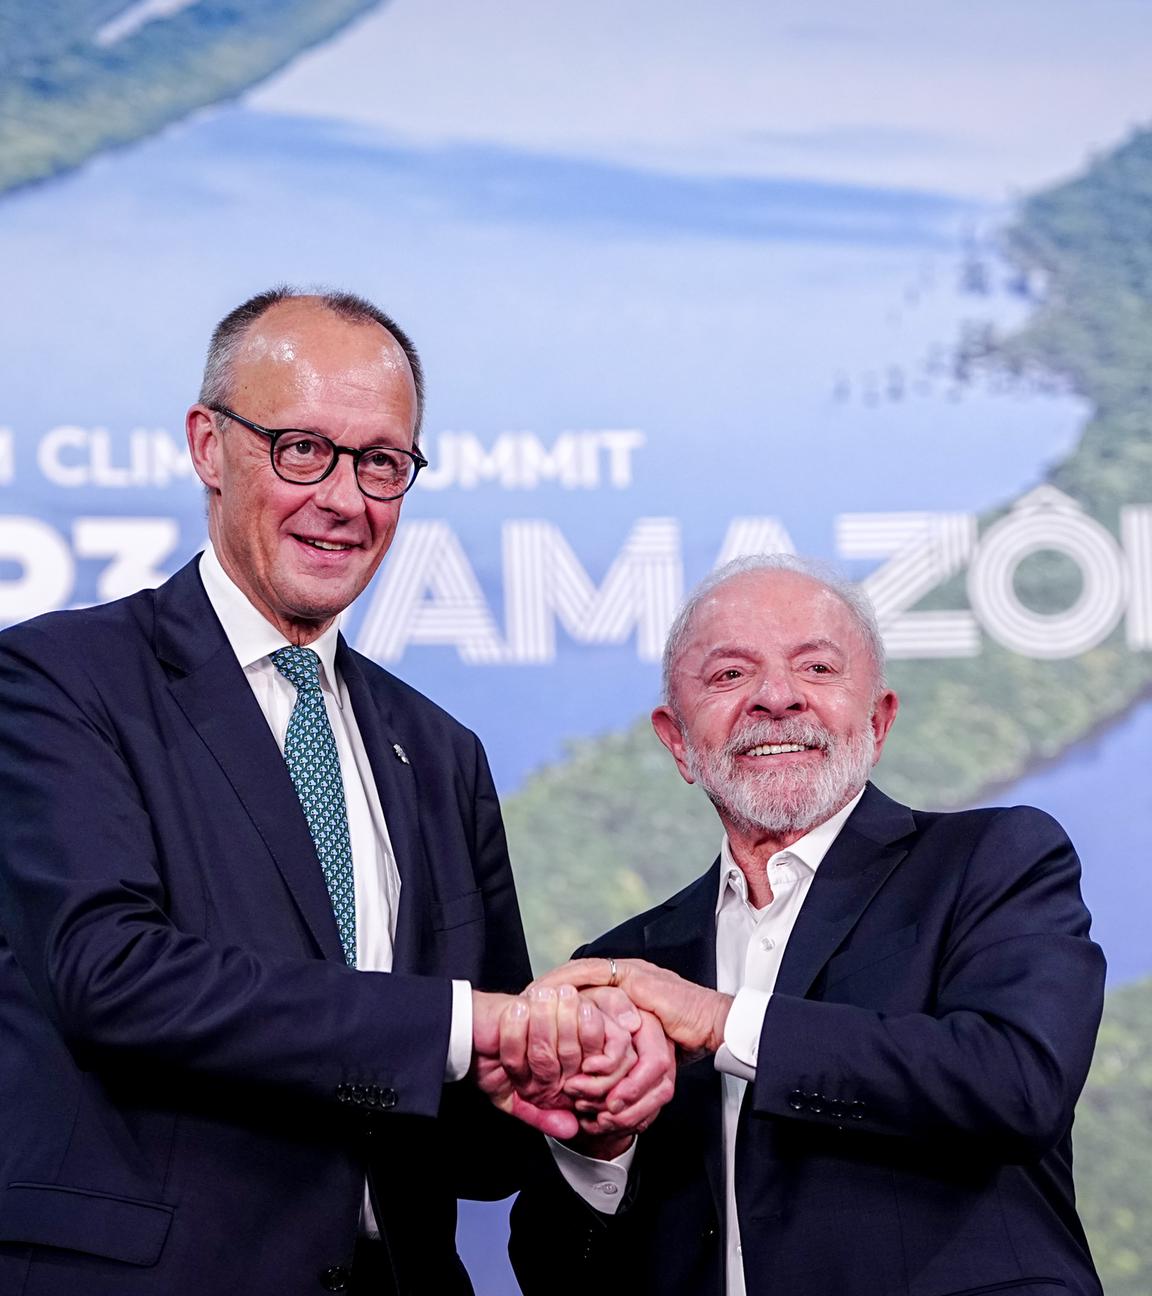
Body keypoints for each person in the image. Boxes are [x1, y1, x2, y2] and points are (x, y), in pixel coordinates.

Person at [0, 288, 661, 1296]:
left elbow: (476, 1148)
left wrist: (574, 1102)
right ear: (209, 448)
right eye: (303, 448)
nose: (345, 499)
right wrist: (467, 1023)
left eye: (382, 463)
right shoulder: (60, 681)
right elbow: (111, 977)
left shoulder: (440, 754)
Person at [510, 554, 1106, 1296]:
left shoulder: (992, 862)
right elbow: (551, 1270)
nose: (777, 698)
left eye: (818, 669)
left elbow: (1019, 1085)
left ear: (878, 720)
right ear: (676, 741)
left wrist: (725, 1022)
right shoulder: (625, 964)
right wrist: (602, 1143)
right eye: (730, 676)